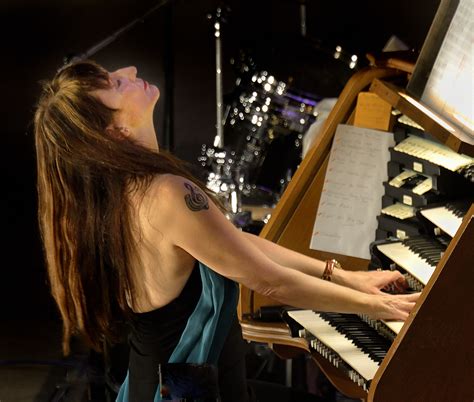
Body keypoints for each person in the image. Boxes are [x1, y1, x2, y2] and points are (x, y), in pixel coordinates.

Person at [33, 60, 419, 402]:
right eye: (116, 84)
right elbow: (270, 283)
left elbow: (231, 244)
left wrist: (346, 277)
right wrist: (380, 307)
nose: (130, 72)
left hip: (172, 379)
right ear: (114, 130)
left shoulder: (121, 187)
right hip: (184, 390)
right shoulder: (164, 193)